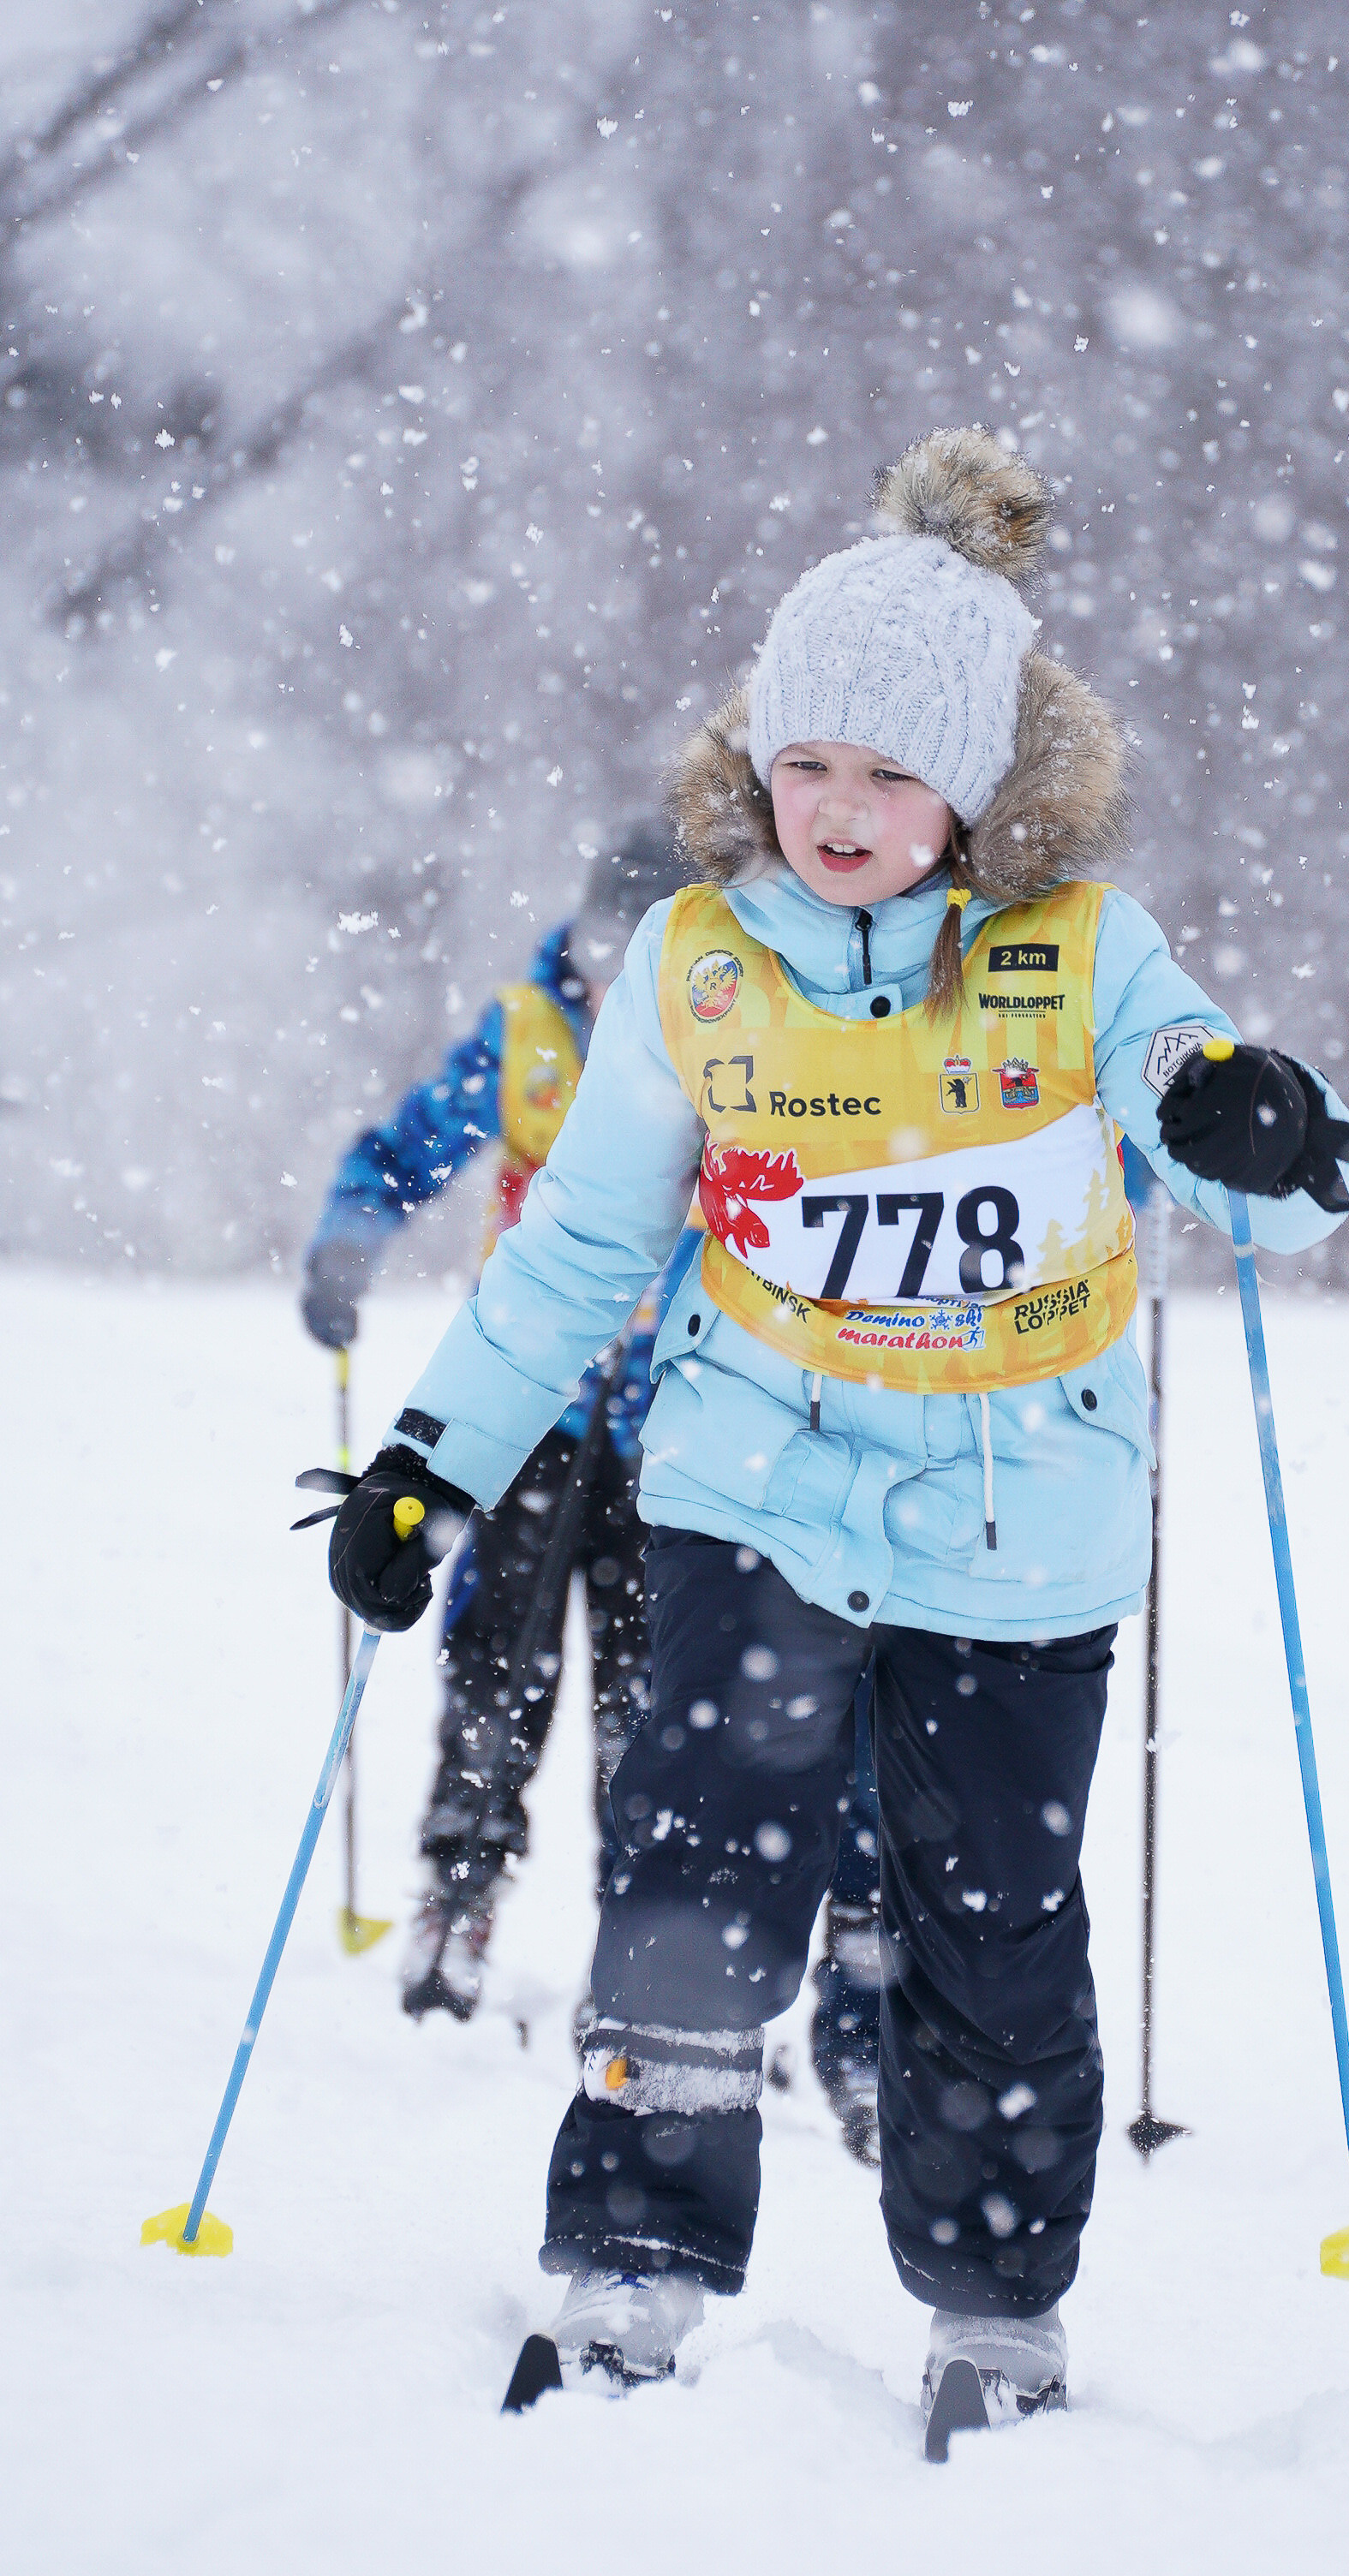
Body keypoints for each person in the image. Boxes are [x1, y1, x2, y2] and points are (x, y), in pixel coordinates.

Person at [321, 427, 1349, 2454]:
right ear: (757, 759)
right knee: (695, 1883)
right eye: (808, 761)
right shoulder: (697, 966)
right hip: (754, 1491)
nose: (841, 808)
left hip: (1023, 1522)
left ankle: (993, 2311)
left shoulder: (1083, 954)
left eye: (893, 773)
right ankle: (630, 2271)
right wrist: (427, 1464)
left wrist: (1266, 1125)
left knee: (993, 1931)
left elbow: (1251, 1158)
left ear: (976, 789)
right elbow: (578, 1256)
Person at [301, 823, 886, 2122]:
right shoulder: (529, 1033)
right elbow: (410, 1148)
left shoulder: (736, 1036)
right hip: (537, 1423)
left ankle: (653, 1942)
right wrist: (354, 1233)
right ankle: (459, 1891)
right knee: (498, 1665)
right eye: (606, 952)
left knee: (660, 1706)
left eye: (647, 957)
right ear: (580, 940)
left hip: (678, 1432)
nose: (625, 982)